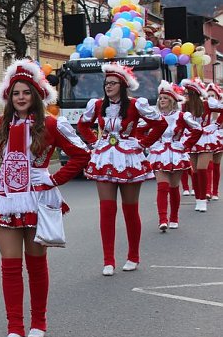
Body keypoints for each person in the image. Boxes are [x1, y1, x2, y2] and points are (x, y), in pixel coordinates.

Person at [0, 61, 90, 337]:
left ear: (36, 96)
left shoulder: (50, 124)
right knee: (10, 266)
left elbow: (80, 154)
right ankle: (14, 327)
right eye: (16, 93)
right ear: (8, 97)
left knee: (36, 264)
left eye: (26, 92)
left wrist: (53, 180)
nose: (21, 98)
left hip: (36, 197)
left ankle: (39, 321)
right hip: (6, 199)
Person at [76, 63, 167, 275]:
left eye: (113, 83)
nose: (108, 86)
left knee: (130, 209)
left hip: (129, 159)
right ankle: (108, 260)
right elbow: (82, 125)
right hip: (104, 157)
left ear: (122, 85)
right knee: (107, 210)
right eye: (106, 83)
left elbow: (160, 124)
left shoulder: (136, 105)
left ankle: (133, 256)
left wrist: (142, 143)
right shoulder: (98, 105)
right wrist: (93, 142)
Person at [141, 81, 201, 231]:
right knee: (162, 187)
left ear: (172, 100)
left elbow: (197, 129)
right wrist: (148, 144)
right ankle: (162, 219)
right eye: (160, 98)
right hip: (159, 154)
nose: (162, 100)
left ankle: (174, 217)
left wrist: (184, 144)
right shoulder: (154, 117)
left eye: (165, 98)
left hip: (176, 153)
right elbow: (138, 130)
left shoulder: (181, 116)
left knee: (174, 188)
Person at [181, 78, 223, 212]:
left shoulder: (207, 104)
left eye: (187, 93)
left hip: (205, 138)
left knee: (201, 169)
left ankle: (203, 199)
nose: (185, 96)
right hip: (191, 137)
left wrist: (216, 125)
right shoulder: (184, 106)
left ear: (194, 94)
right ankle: (198, 198)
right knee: (194, 171)